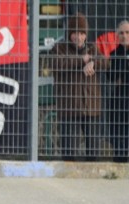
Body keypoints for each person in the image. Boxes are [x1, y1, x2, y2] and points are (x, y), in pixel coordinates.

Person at [47, 13, 109, 161]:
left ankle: (92, 177)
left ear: (86, 35)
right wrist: (81, 60)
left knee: (93, 150)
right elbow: (56, 64)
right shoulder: (59, 48)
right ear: (69, 34)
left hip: (91, 107)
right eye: (75, 33)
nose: (79, 37)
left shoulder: (92, 48)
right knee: (69, 151)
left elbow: (106, 63)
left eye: (82, 33)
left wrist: (93, 62)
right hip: (69, 107)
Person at [107, 21, 129, 163]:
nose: (124, 35)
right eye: (121, 33)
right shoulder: (115, 53)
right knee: (117, 129)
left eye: (127, 32)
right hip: (120, 96)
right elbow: (112, 76)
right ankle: (119, 160)